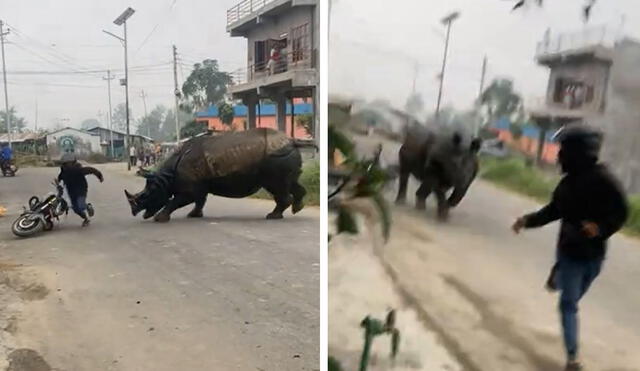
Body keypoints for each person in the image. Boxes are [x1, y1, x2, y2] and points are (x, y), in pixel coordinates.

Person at [512, 124, 628, 371]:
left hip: (594, 256)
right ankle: (573, 359)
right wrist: (527, 221)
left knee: (574, 295)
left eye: (563, 150)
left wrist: (601, 228)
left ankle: (559, 275)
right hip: (570, 252)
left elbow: (621, 212)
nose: (559, 156)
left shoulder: (605, 181)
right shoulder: (566, 186)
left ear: (579, 152)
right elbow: (553, 211)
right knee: (569, 303)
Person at [57, 153, 104, 227]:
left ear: (73, 163)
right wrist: (58, 183)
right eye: (66, 163)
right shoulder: (63, 172)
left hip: (81, 190)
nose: (68, 165)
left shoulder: (78, 169)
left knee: (81, 205)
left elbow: (91, 170)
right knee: (76, 209)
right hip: (71, 192)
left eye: (69, 163)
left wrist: (100, 176)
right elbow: (59, 179)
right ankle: (86, 219)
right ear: (64, 164)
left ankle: (87, 206)